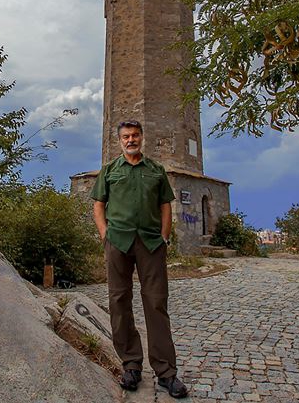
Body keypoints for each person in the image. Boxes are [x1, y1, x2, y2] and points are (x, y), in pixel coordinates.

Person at [90, 120, 188, 399]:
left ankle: (166, 373)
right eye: (125, 136)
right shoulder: (110, 171)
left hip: (151, 243)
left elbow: (165, 205)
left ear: (141, 138)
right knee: (119, 301)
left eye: (134, 135)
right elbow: (99, 204)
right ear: (119, 141)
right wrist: (105, 235)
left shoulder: (156, 170)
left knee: (156, 303)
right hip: (118, 242)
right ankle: (131, 365)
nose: (130, 140)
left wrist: (165, 236)